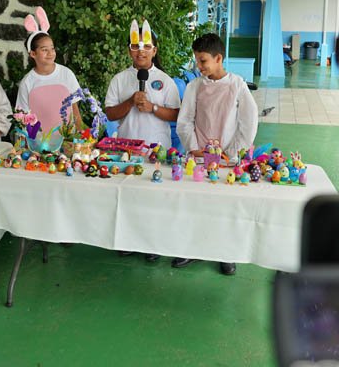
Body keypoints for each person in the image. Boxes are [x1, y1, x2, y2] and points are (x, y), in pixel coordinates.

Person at [173, 32, 259, 276]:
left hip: (227, 160)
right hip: (199, 156)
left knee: (225, 207)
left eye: (203, 61)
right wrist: (193, 147)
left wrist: (231, 153)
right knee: (195, 204)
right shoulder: (195, 86)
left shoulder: (237, 85)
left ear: (218, 58)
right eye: (197, 61)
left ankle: (226, 253)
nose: (199, 67)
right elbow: (185, 120)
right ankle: (191, 248)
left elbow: (248, 122)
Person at [105, 19, 181, 263]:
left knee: (156, 197)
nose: (141, 51)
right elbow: (110, 114)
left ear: (154, 51)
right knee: (130, 196)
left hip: (157, 149)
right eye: (136, 47)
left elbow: (176, 114)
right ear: (129, 50)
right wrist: (130, 102)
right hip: (127, 149)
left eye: (147, 47)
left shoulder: (165, 80)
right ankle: (129, 240)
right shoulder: (119, 79)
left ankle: (154, 242)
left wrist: (153, 107)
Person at [16, 6, 83, 133]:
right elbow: (23, 117)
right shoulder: (27, 82)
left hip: (68, 138)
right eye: (44, 50)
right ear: (33, 54)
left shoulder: (66, 74)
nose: (50, 53)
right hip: (40, 141)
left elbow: (74, 107)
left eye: (52, 48)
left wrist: (81, 131)